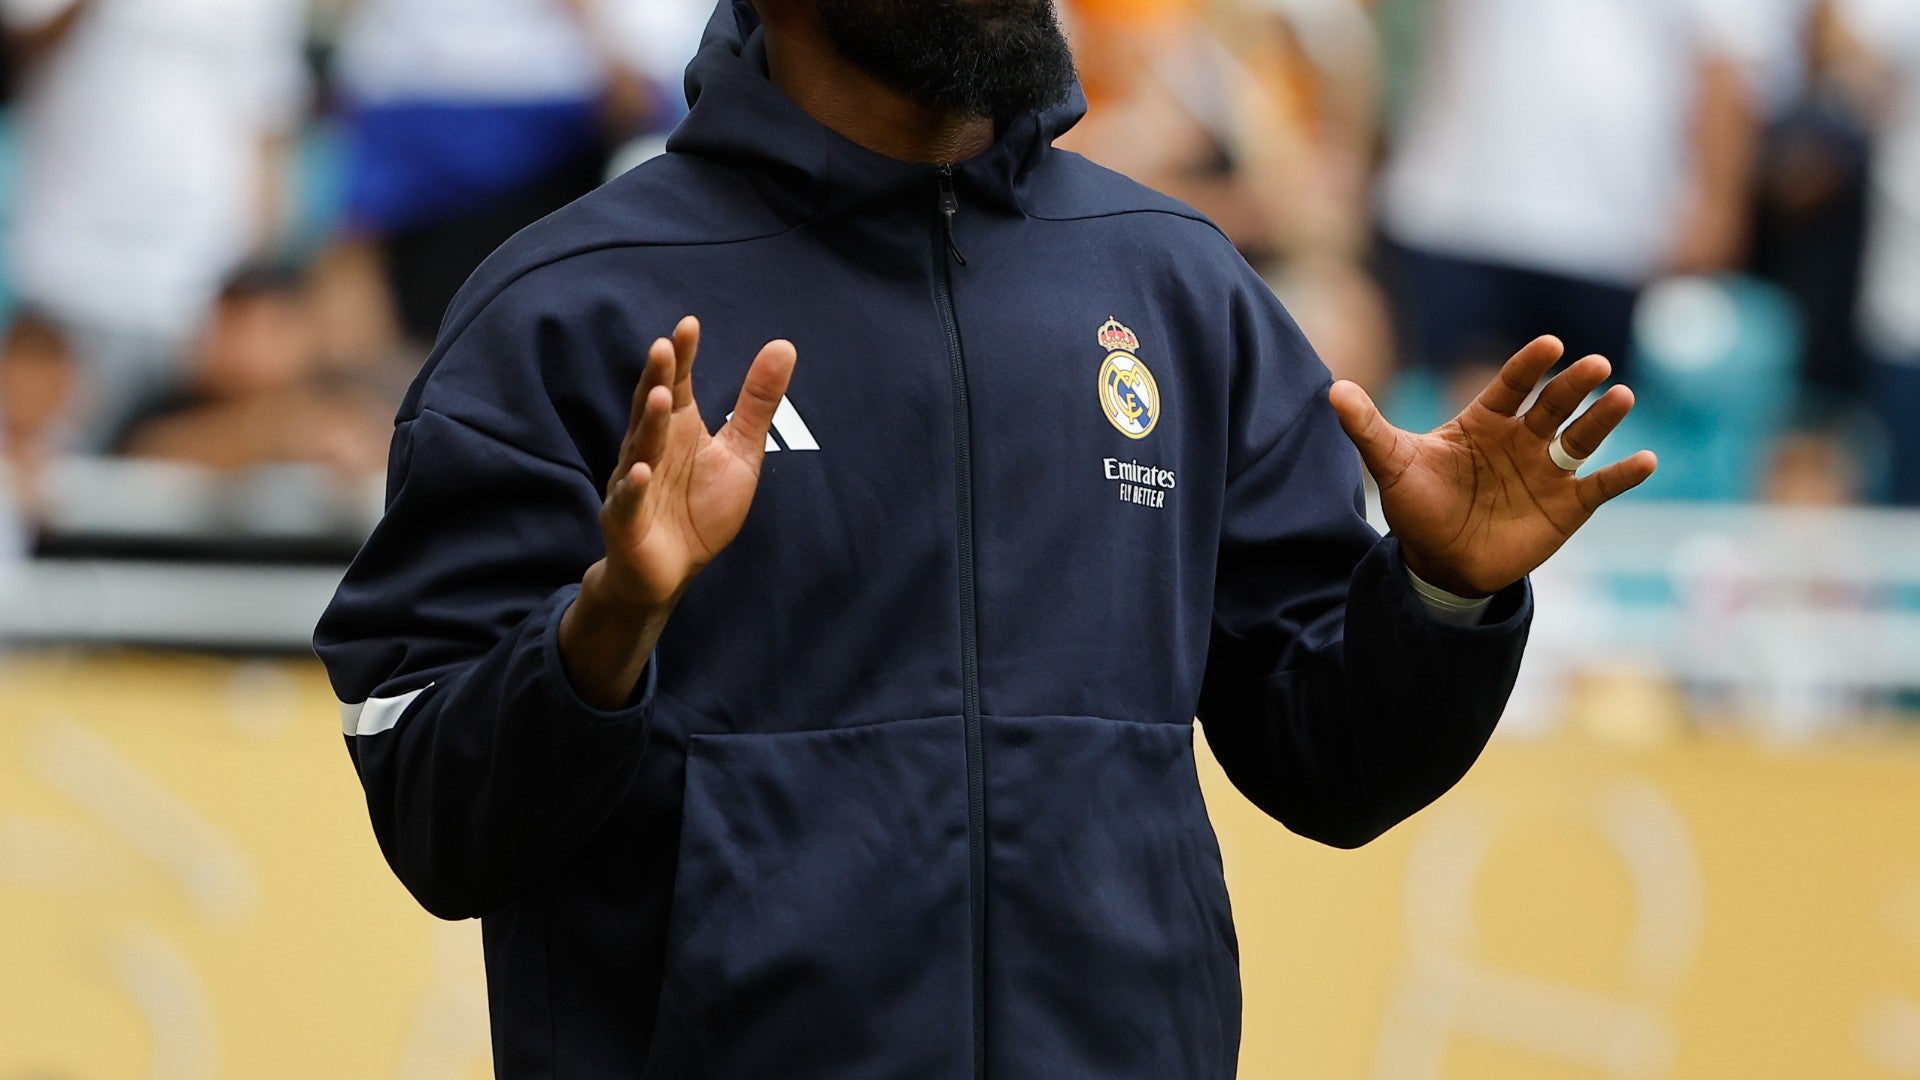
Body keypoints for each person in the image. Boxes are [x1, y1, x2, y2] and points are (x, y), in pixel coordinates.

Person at [314, 0, 1656, 1074]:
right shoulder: (571, 308)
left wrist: (1438, 597)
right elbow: (438, 821)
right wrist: (603, 630)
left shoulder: (1177, 286)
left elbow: (1332, 764)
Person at [1376, 0, 1768, 401]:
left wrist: (1716, 207)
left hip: (1617, 233)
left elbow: (1726, 56)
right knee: (1432, 424)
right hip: (1454, 210)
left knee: (1595, 433)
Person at [0, 0, 306, 503]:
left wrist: (257, 288)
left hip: (204, 293)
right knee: (47, 494)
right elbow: (20, 49)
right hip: (69, 281)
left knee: (197, 492)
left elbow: (268, 123)